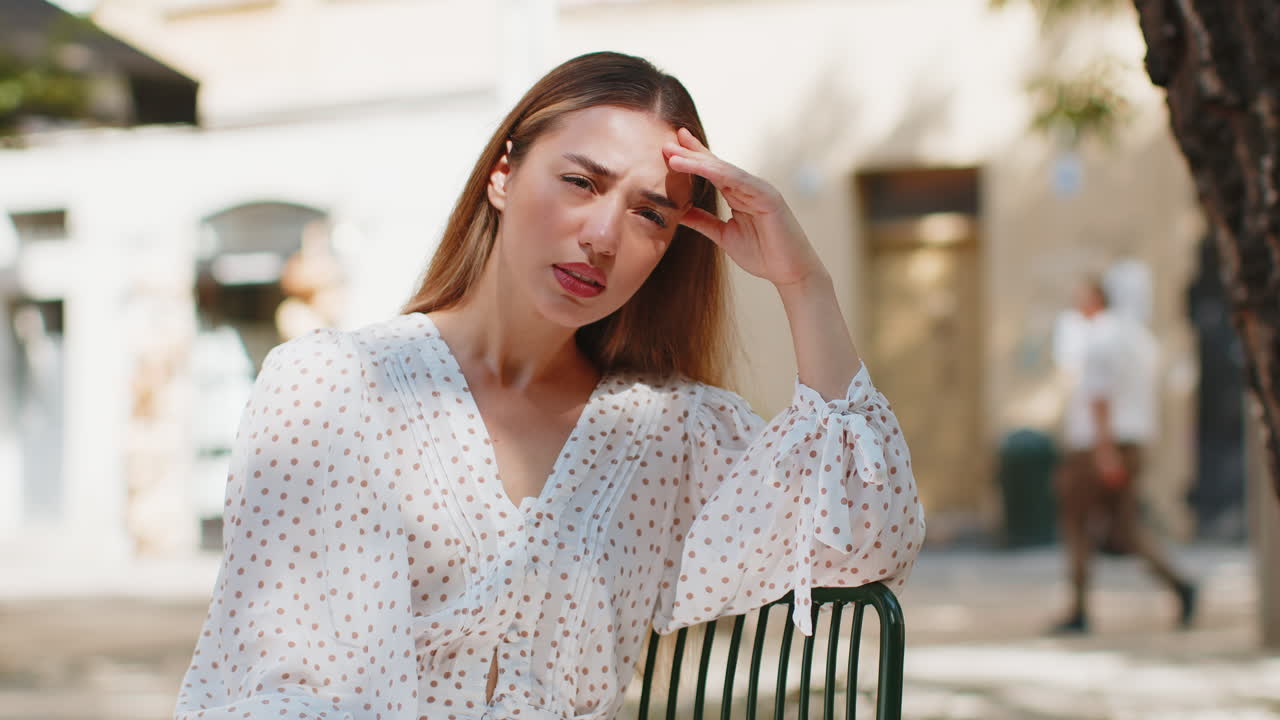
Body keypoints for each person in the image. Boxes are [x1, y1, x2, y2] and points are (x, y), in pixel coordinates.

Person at [174, 51, 924, 720]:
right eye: (579, 182)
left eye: (650, 214)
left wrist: (804, 283)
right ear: (503, 175)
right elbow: (284, 684)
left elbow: (867, 540)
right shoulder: (335, 389)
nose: (602, 235)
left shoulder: (669, 432)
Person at [1050, 277, 1195, 634]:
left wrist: (1104, 453)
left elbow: (1100, 399)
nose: (1075, 305)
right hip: (1132, 444)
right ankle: (1179, 584)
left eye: (1080, 297)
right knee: (1126, 530)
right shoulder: (1141, 340)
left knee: (1078, 524)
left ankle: (1079, 608)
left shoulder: (1100, 338)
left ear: (1097, 299)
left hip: (1097, 448)